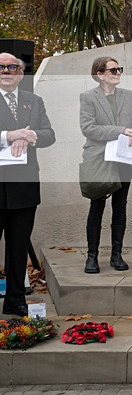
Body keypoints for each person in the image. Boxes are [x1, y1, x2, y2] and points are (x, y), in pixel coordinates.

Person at [0, 53, 55, 316]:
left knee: (17, 245)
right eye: (1, 67)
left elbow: (49, 134)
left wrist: (30, 135)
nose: (6, 70)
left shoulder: (34, 101)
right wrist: (9, 135)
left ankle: (15, 300)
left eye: (12, 66)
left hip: (23, 186)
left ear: (21, 73)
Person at [79, 57, 132, 274]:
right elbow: (88, 128)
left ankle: (117, 255)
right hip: (99, 159)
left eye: (119, 69)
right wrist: (120, 130)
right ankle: (92, 257)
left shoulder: (128, 95)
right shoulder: (88, 97)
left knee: (120, 206)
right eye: (113, 69)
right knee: (97, 206)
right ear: (100, 74)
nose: (118, 73)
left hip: (124, 159)